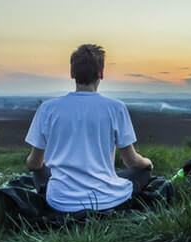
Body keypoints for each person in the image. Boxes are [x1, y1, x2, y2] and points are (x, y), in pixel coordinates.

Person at [24, 44, 153, 213]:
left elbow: (34, 163)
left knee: (39, 171)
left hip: (60, 201)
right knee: (143, 173)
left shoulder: (48, 108)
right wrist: (148, 163)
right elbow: (132, 161)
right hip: (106, 199)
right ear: (101, 73)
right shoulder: (116, 108)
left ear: (72, 73)